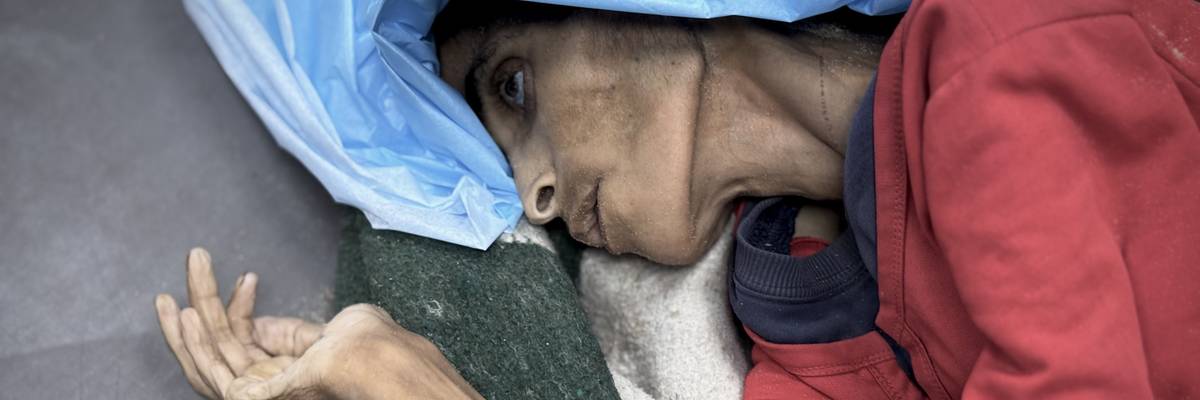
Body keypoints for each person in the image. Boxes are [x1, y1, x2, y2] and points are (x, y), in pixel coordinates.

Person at [155, 0, 1200, 398]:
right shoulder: (793, 335)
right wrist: (404, 378)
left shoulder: (1004, 53)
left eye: (512, 84)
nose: (539, 191)